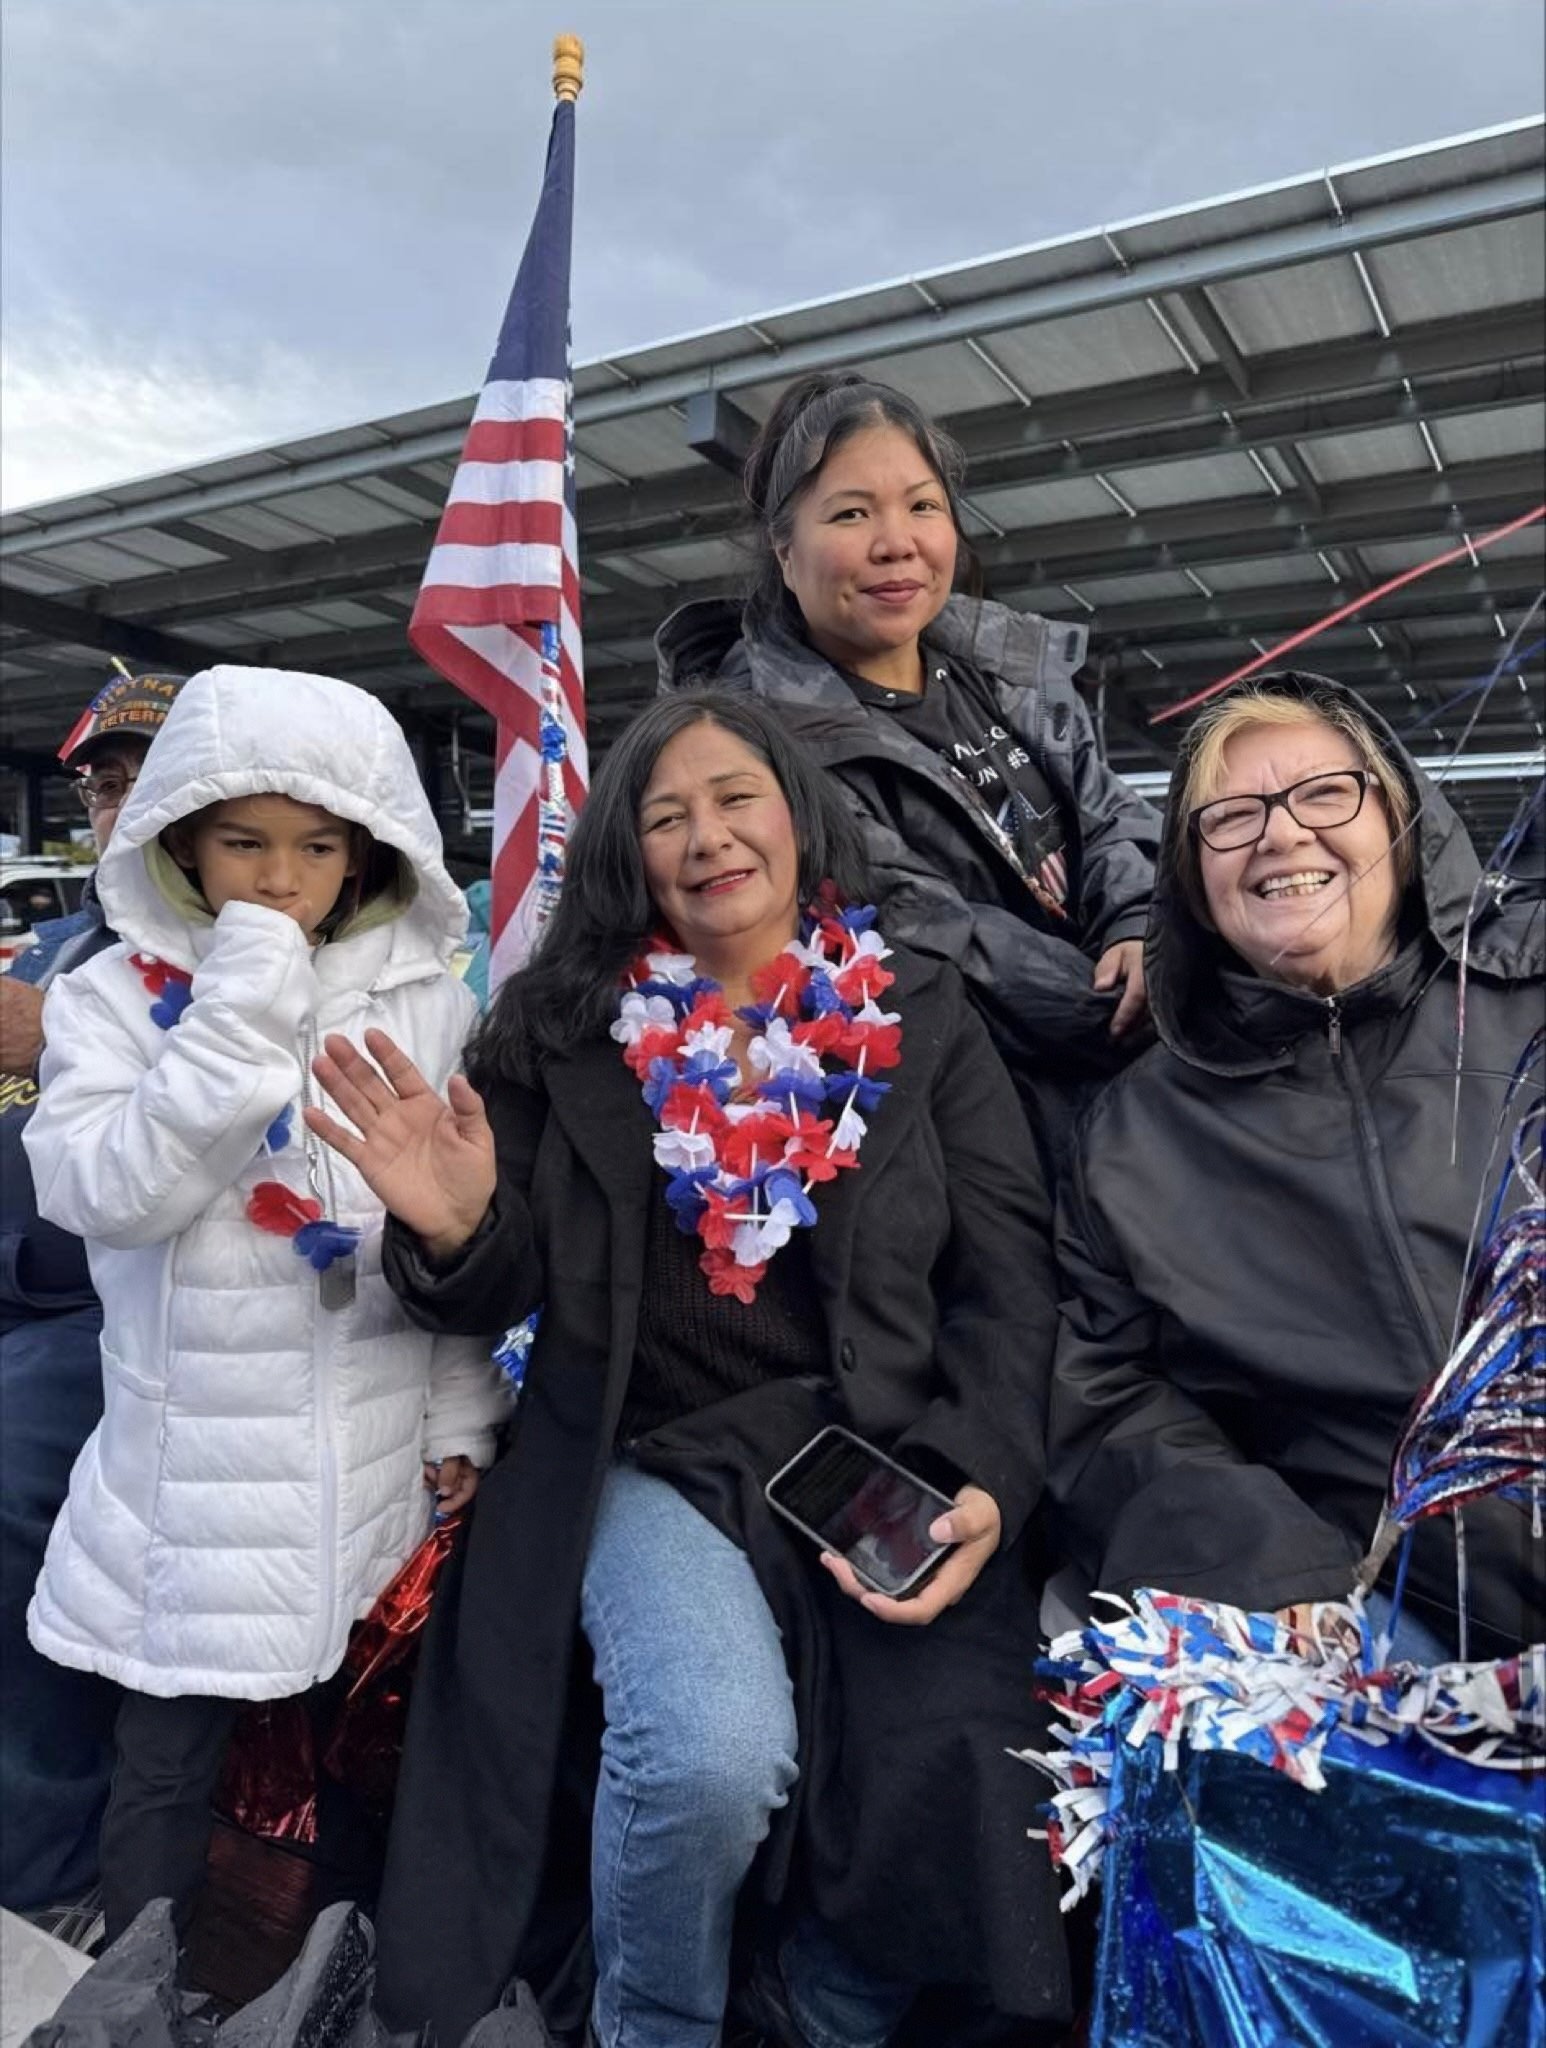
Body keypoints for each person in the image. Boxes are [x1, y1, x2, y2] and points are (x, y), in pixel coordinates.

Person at [307, 691, 1071, 2047]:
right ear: (628, 855)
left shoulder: (926, 1016)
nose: (708, 837)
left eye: (736, 798)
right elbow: (501, 1286)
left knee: (974, 1764)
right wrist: (456, 1225)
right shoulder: (558, 1031)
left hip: (871, 1461)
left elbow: (1006, 1289)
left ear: (797, 812)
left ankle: (810, 2018)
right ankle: (652, 2025)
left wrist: (988, 1482)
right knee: (710, 1755)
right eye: (666, 817)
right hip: (640, 1456)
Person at [22, 664, 512, 1944]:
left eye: (317, 846)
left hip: (368, 1457)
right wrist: (242, 1000)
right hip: (192, 1478)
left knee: (362, 1738)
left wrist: (461, 1412)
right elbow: (105, 1192)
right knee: (168, 1746)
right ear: (180, 840)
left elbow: (449, 1218)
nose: (281, 878)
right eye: (244, 842)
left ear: (366, 857)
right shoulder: (108, 997)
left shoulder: (429, 1001)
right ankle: (134, 1982)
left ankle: (344, 1965)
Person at [1048, 671, 1544, 1661]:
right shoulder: (1134, 1135)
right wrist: (1273, 1569)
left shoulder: (1529, 996)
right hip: (1382, 1616)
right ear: (1189, 877)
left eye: (1325, 794)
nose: (1280, 835)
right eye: (1230, 817)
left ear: (1400, 827)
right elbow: (1105, 1398)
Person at [656, 371, 1161, 1168]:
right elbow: (926, 931)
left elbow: (1111, 815)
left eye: (923, 505)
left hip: (1123, 1073)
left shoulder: (1004, 671)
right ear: (785, 551)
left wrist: (1140, 927)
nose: (899, 542)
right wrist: (1147, 1005)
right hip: (983, 1127)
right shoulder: (755, 743)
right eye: (852, 513)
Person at [1, 669, 185, 1925]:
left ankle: (39, 1872)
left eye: (148, 778)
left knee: (11, 1471)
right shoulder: (58, 943)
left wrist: (50, 1031)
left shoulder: (245, 943)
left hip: (122, 1315)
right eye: (105, 783)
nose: (121, 804)